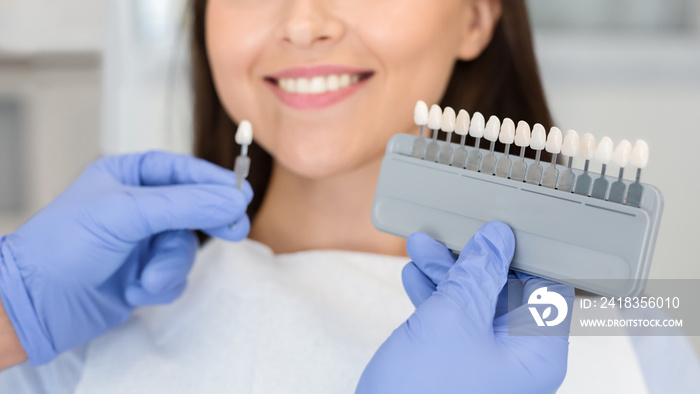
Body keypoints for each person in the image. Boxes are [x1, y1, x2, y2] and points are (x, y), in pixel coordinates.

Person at [1, 0, 696, 392]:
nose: (303, 23)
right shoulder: (73, 328)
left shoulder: (634, 345)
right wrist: (8, 314)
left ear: (479, 16)